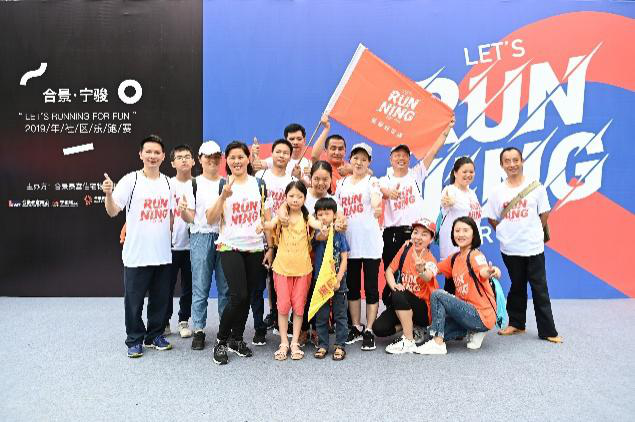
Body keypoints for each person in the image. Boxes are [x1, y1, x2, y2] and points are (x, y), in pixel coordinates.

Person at [102, 134, 174, 358]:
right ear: (140, 154)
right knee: (134, 302)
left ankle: (155, 335)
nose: (152, 156)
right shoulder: (130, 180)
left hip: (162, 254)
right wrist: (108, 194)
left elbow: (171, 216)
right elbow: (113, 211)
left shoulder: (168, 183)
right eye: (148, 152)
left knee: (160, 300)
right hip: (136, 255)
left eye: (157, 152)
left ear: (163, 156)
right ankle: (134, 339)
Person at [484, 147, 562, 343]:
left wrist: (533, 231)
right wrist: (505, 232)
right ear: (502, 165)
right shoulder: (497, 192)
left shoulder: (536, 187)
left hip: (533, 247)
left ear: (522, 161)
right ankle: (516, 323)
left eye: (515, 160)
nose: (512, 164)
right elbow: (491, 218)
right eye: (507, 161)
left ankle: (548, 331)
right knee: (517, 285)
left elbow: (544, 213)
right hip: (510, 248)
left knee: (539, 288)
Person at [206, 141, 273, 365]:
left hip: (255, 247)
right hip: (230, 246)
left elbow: (266, 218)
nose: (237, 161)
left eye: (241, 157)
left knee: (248, 296)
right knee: (238, 295)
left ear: (247, 159)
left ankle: (237, 339)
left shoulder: (259, 184)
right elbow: (210, 219)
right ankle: (221, 341)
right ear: (227, 160)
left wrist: (270, 247)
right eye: (232, 157)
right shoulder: (222, 184)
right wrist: (223, 197)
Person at [379, 117, 454, 306]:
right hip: (393, 234)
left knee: (417, 273)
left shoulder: (416, 173)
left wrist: (446, 130)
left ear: (409, 159)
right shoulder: (384, 179)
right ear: (390, 159)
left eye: (405, 155)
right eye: (397, 155)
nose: (401, 158)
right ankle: (393, 310)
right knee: (393, 272)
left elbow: (433, 151)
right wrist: (388, 193)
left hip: (415, 234)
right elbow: (381, 191)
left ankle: (417, 310)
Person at [416, 217, 501, 355]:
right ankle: (471, 330)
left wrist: (492, 271)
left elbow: (483, 271)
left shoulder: (475, 255)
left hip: (480, 315)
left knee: (437, 295)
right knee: (433, 330)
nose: (461, 234)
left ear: (474, 234)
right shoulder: (454, 258)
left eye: (465, 230)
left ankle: (438, 344)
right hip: (465, 313)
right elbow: (430, 274)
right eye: (457, 231)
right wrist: (421, 270)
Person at [263, 181, 325, 360]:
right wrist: (262, 225)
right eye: (291, 196)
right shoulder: (281, 216)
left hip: (303, 270)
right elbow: (270, 224)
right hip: (282, 269)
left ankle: (295, 342)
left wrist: (323, 225)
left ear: (305, 198)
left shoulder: (306, 217)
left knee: (299, 308)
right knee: (282, 307)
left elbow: (316, 223)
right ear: (285, 197)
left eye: (299, 196)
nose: (295, 200)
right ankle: (284, 342)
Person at [178, 141, 229, 351]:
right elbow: (190, 217)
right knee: (200, 286)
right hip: (200, 236)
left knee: (225, 287)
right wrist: (182, 210)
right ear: (200, 159)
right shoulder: (193, 184)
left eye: (216, 156)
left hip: (224, 236)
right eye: (208, 157)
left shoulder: (226, 183)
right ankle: (199, 329)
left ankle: (224, 330)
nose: (212, 160)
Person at [336, 143, 383, 351]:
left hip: (370, 244)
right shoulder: (342, 183)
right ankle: (355, 326)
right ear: (350, 160)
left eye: (364, 159)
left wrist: (376, 206)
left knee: (371, 288)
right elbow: (338, 208)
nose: (359, 162)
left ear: (369, 162)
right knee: (352, 288)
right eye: (356, 158)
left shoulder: (372, 181)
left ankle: (369, 329)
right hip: (350, 244)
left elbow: (376, 198)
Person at [252, 138, 296, 346]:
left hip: (287, 240)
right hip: (263, 238)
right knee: (261, 283)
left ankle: (281, 319)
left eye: (285, 153)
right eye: (278, 151)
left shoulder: (292, 179)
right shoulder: (261, 177)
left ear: (290, 156)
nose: (281, 155)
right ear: (272, 153)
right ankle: (261, 324)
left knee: (281, 282)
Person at [373, 218, 438, 354]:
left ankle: (409, 340)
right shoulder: (405, 249)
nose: (418, 237)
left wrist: (421, 270)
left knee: (398, 295)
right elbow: (389, 271)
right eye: (415, 232)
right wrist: (394, 285)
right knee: (379, 328)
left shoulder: (431, 260)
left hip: (424, 311)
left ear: (431, 239)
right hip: (403, 302)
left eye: (424, 234)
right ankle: (409, 326)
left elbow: (428, 276)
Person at [311, 197, 350, 361]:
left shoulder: (340, 235)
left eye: (327, 213)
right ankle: (322, 344)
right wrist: (323, 232)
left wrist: (339, 279)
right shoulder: (316, 235)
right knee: (322, 315)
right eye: (320, 214)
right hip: (321, 280)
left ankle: (340, 345)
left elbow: (344, 258)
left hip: (338, 281)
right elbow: (317, 239)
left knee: (340, 314)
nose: (324, 217)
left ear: (335, 215)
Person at [438, 156, 482, 293]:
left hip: (470, 249)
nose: (468, 175)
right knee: (453, 287)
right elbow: (446, 201)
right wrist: (447, 202)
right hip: (454, 249)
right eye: (464, 171)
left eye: (471, 172)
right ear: (455, 173)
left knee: (468, 288)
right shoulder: (449, 190)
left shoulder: (472, 193)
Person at [166, 144, 195, 338]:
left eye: (187, 156)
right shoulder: (167, 184)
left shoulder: (199, 184)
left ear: (193, 161)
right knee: (166, 286)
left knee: (188, 287)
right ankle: (164, 321)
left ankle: (184, 320)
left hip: (193, 245)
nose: (184, 160)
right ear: (172, 163)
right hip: (170, 245)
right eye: (179, 157)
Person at [252, 116, 330, 180]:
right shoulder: (277, 160)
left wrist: (307, 176)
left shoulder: (309, 164)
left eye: (299, 139)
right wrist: (254, 156)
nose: (295, 142)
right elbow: (257, 166)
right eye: (292, 139)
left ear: (304, 140)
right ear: (286, 140)